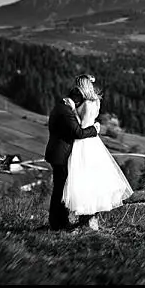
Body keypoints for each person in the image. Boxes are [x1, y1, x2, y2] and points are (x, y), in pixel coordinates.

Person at [61, 74, 134, 231]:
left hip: (83, 143)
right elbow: (93, 122)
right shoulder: (96, 101)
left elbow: (82, 126)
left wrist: (73, 110)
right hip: (94, 142)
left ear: (82, 86)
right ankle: (90, 220)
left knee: (82, 178)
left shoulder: (86, 103)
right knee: (94, 178)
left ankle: (85, 218)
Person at [44, 76, 101, 231]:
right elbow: (78, 132)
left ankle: (60, 222)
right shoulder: (66, 111)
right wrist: (94, 130)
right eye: (77, 99)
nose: (78, 102)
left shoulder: (62, 107)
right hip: (60, 155)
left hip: (59, 152)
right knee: (60, 190)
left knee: (61, 189)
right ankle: (58, 223)